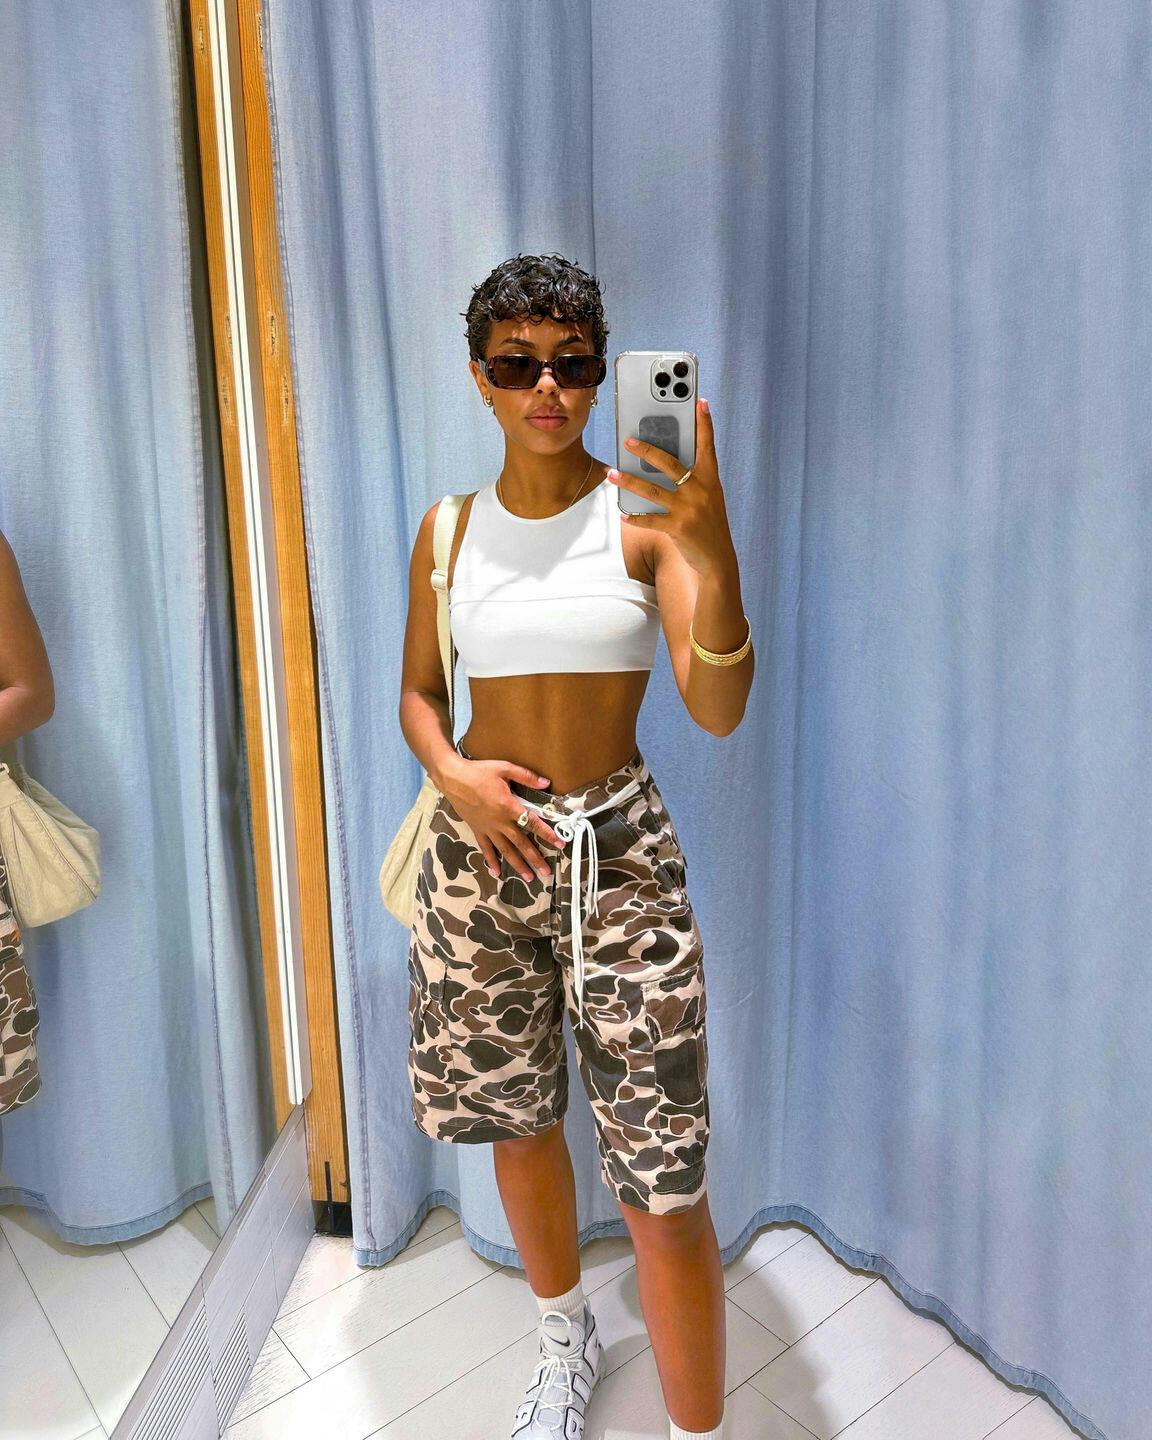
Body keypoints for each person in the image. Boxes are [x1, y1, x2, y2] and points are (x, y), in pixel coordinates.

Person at [398, 253, 753, 1440]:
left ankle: (697, 1430)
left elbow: (719, 708)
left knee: (666, 1177)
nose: (545, 387)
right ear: (479, 378)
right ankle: (565, 1338)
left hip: (621, 864)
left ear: (601, 378)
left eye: (570, 363)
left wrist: (714, 546)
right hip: (479, 862)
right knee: (518, 1123)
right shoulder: (447, 532)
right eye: (516, 364)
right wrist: (454, 777)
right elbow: (418, 696)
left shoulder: (645, 525)